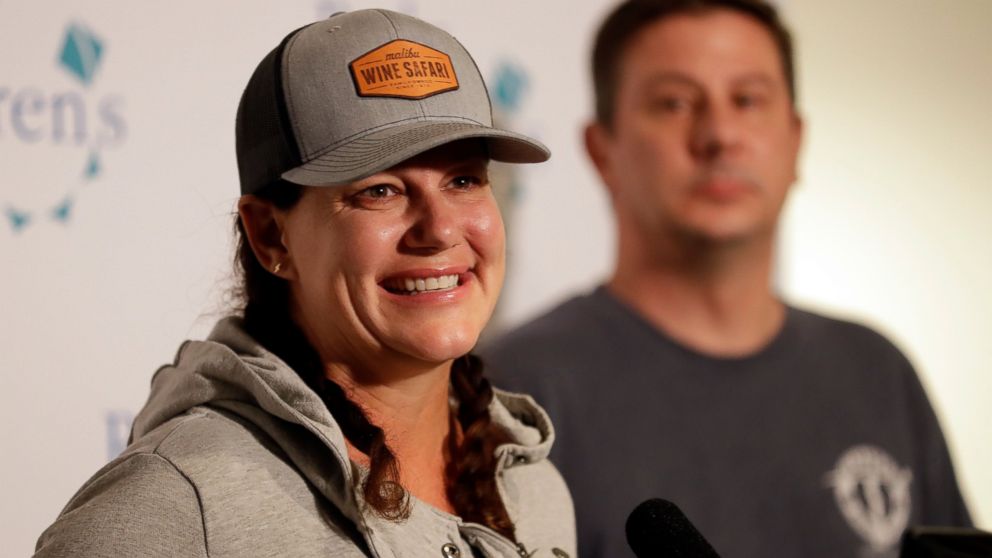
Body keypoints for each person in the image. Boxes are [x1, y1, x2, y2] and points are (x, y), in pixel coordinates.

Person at [34, 10, 575, 558]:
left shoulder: (534, 489)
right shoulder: (170, 507)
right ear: (271, 236)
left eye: (463, 180)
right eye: (380, 191)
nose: (438, 229)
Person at [481, 1, 971, 557]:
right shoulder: (516, 389)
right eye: (675, 103)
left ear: (795, 139)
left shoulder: (878, 370)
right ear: (602, 150)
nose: (719, 134)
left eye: (747, 100)